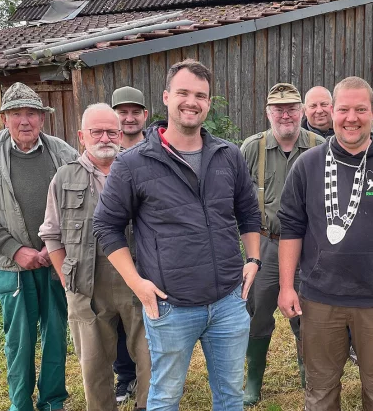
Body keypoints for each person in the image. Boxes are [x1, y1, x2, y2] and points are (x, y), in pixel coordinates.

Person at [93, 59, 262, 411]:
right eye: (183, 92)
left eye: (200, 95)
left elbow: (248, 213)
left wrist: (254, 259)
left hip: (228, 301)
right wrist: (138, 284)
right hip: (170, 306)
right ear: (167, 97)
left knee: (230, 396)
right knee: (166, 397)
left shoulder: (228, 155)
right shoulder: (134, 163)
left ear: (209, 103)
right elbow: (106, 226)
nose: (192, 101)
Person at [277, 76, 373, 410]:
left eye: (360, 109)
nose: (351, 117)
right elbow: (291, 228)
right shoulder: (308, 165)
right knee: (319, 390)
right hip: (319, 298)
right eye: (344, 109)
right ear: (332, 113)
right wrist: (287, 286)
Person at [0, 82, 78, 411]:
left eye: (31, 113)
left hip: (56, 261)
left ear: (43, 119)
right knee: (20, 340)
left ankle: (53, 400)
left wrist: (54, 248)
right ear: (5, 119)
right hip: (13, 267)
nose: (24, 121)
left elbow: (78, 209)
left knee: (57, 335)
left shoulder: (63, 153)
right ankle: (21, 404)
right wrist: (17, 250)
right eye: (16, 114)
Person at [39, 104, 150, 411]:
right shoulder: (63, 178)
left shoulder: (138, 171)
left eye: (111, 131)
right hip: (86, 285)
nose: (105, 138)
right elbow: (51, 235)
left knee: (149, 356)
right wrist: (66, 280)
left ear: (121, 134)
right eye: (96, 132)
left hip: (138, 278)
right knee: (94, 364)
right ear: (81, 136)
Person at [239, 83, 325, 405]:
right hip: (265, 245)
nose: (285, 114)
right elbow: (235, 199)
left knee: (308, 313)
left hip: (310, 248)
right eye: (279, 109)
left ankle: (309, 377)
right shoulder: (251, 148)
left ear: (302, 111)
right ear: (268, 113)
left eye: (292, 108)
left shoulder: (321, 146)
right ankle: (253, 380)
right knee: (257, 312)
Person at [110, 85, 149, 404]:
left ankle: (153, 376)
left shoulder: (158, 150)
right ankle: (124, 376)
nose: (129, 118)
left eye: (135, 112)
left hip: (150, 252)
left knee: (150, 318)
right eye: (122, 112)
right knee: (120, 321)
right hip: (116, 252)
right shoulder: (103, 153)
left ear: (145, 116)